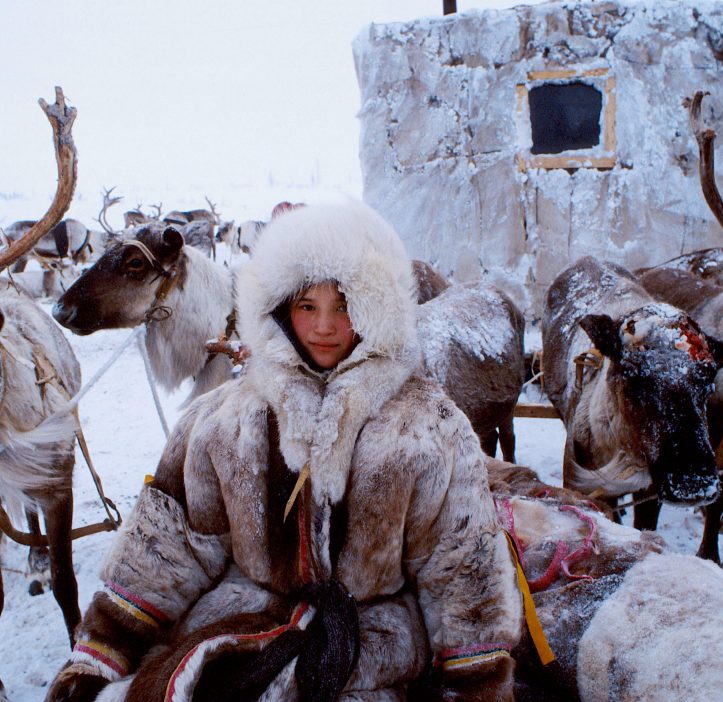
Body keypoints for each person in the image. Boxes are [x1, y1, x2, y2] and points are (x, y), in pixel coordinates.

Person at [45, 199, 523, 701]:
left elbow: (461, 565)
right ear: (277, 310)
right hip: (238, 635)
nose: (324, 327)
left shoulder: (426, 427)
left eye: (345, 306)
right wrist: (102, 648)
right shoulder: (226, 420)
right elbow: (172, 543)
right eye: (307, 307)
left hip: (374, 655)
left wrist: (477, 685)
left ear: (377, 308)